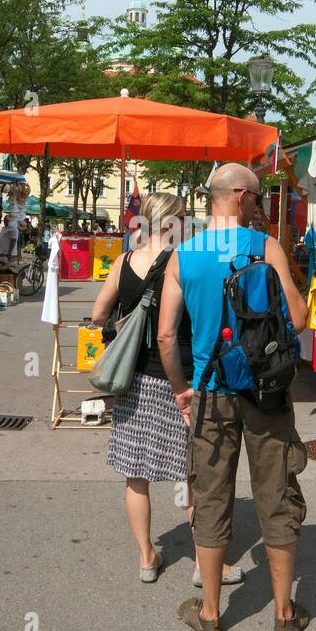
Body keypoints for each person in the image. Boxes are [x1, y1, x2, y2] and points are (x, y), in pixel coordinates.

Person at [158, 163, 310, 631]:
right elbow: (301, 320)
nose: (261, 205)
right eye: (259, 197)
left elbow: (165, 336)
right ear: (242, 197)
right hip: (265, 393)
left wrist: (183, 387)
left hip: (209, 393)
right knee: (276, 495)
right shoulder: (266, 248)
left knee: (211, 497)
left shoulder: (183, 255)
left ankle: (209, 612)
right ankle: (284, 615)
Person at [91, 193, 244, 589]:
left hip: (132, 381)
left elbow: (97, 315)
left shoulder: (123, 262)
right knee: (194, 474)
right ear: (177, 221)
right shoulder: (186, 261)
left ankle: (146, 558)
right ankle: (203, 562)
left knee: (135, 473)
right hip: (182, 380)